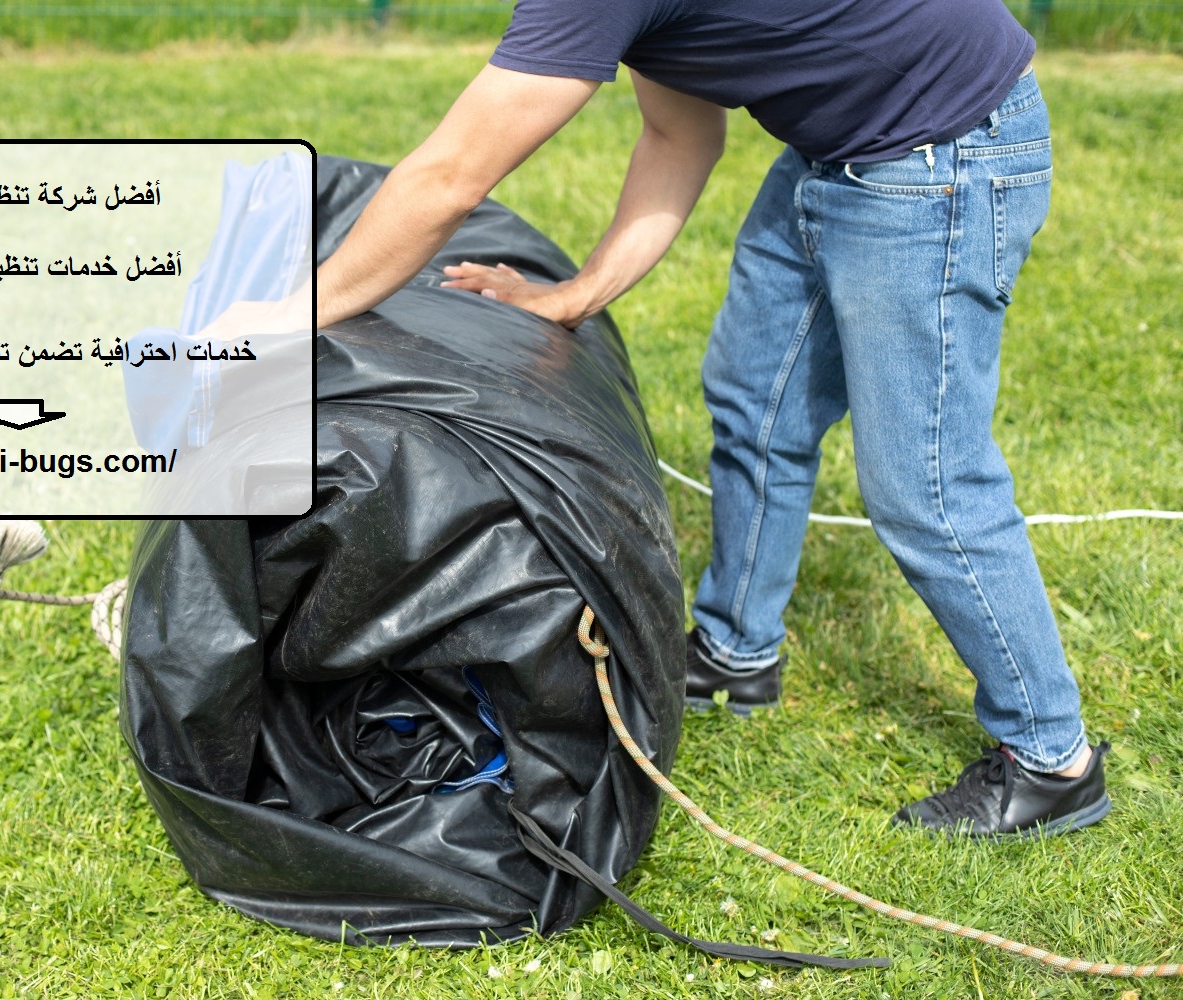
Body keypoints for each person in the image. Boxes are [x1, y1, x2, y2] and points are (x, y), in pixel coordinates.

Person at [315, 0, 1110, 838]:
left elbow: (448, 177)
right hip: (839, 150)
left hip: (943, 152)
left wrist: (285, 321)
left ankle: (1052, 760)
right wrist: (578, 295)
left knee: (928, 486)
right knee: (755, 405)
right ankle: (737, 652)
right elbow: (679, 134)